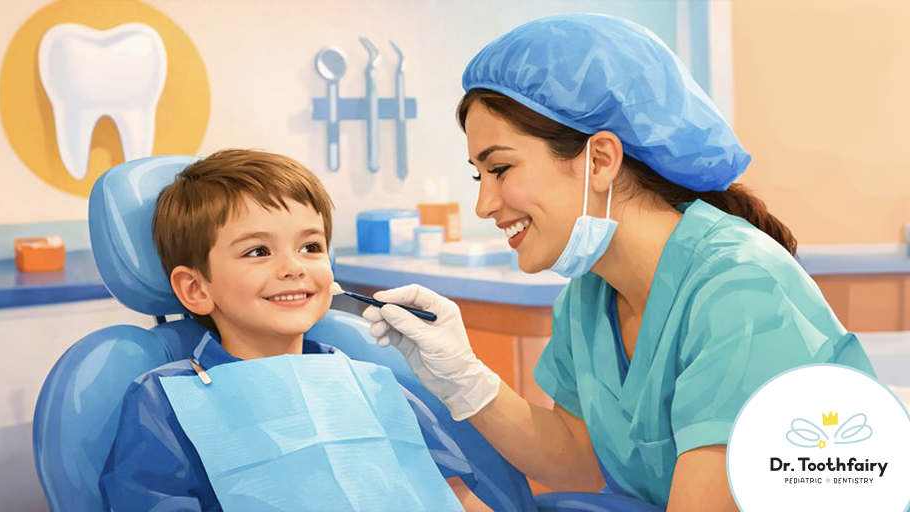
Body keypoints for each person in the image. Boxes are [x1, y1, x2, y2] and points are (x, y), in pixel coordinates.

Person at [362, 13, 876, 511]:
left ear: (601, 160)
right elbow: (579, 459)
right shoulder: (590, 295)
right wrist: (464, 379)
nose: (485, 204)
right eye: (480, 176)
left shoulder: (741, 289)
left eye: (500, 168)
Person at [98, 149, 483, 511]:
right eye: (257, 252)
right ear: (196, 289)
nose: (294, 267)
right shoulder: (166, 403)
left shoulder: (371, 383)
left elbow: (456, 498)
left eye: (311, 247)